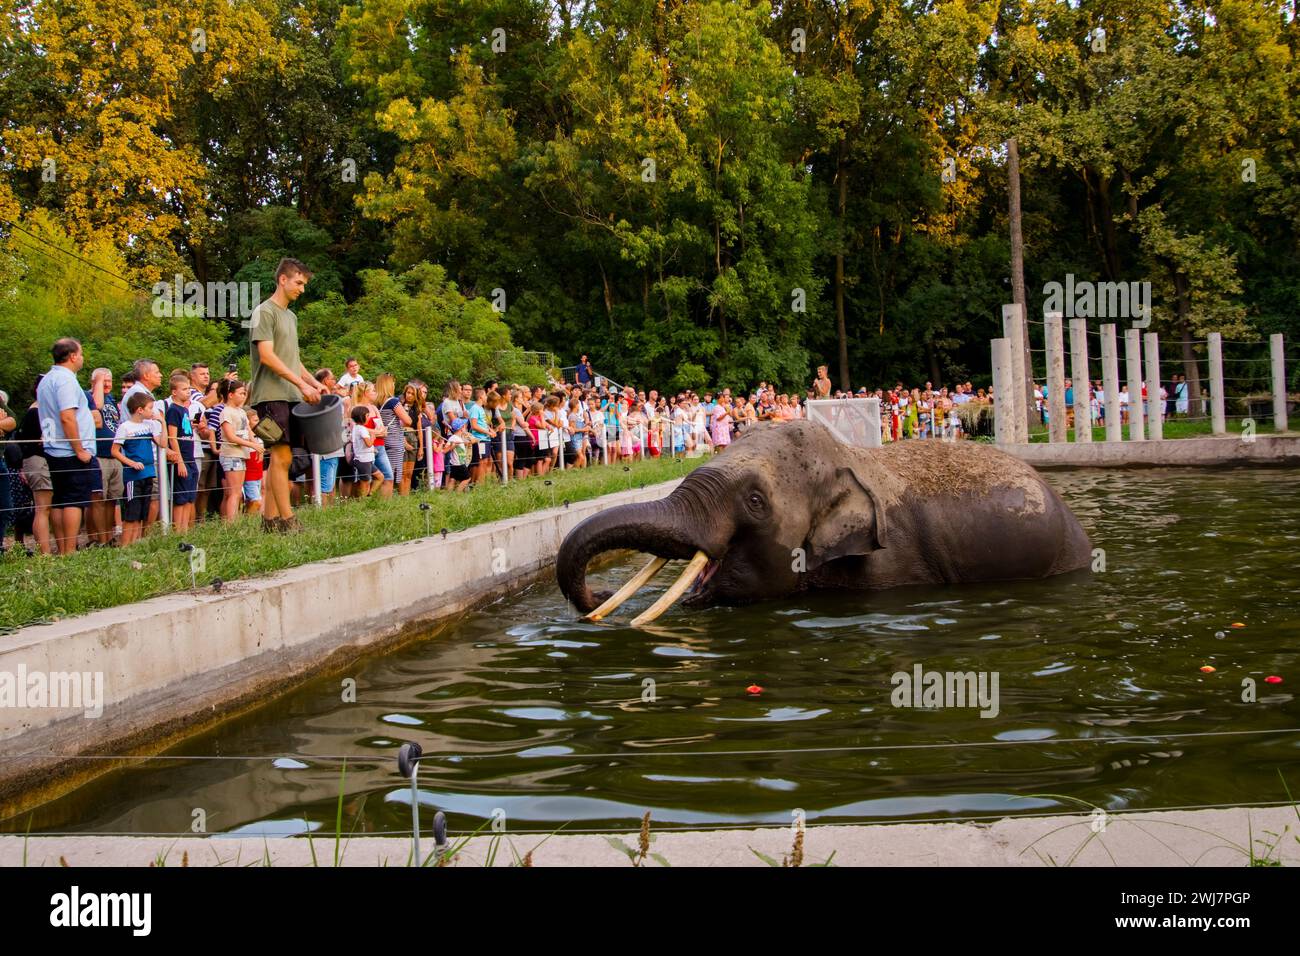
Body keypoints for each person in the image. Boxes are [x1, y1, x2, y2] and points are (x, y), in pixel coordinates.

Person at [248, 258, 323, 532]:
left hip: (291, 395)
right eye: (298, 283)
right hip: (270, 396)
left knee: (283, 459)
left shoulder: (291, 316)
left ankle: (268, 521)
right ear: (283, 279)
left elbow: (293, 359)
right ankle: (288, 521)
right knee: (281, 457)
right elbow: (267, 356)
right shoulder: (263, 312)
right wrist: (302, 386)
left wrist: (313, 383)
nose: (302, 289)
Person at [36, 338, 100, 555]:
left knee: (61, 500)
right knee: (73, 500)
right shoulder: (65, 380)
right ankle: (69, 550)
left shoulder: (47, 379)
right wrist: (79, 449)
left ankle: (64, 548)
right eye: (80, 354)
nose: (82, 358)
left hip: (54, 448)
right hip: (69, 450)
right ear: (72, 356)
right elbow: (67, 416)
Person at [111, 391, 167, 545]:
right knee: (132, 512)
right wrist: (131, 463)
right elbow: (114, 451)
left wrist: (162, 423)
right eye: (150, 408)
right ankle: (125, 545)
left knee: (143, 512)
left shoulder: (149, 426)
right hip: (134, 476)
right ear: (139, 410)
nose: (153, 411)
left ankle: (135, 543)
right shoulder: (125, 427)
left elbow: (162, 443)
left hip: (148, 473)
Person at [86, 366, 122, 546]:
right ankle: (98, 539)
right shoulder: (88, 396)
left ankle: (108, 536)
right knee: (98, 498)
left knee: (112, 498)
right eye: (103, 380)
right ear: (93, 382)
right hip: (98, 454)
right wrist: (98, 383)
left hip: (114, 454)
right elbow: (96, 405)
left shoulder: (111, 398)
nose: (107, 384)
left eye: (109, 380)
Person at [218, 380, 262, 522]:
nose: (244, 396)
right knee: (234, 492)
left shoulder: (241, 411)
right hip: (231, 454)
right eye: (241, 393)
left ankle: (235, 521)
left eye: (245, 393)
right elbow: (230, 436)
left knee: (238, 492)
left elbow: (248, 431)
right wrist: (252, 445)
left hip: (242, 454)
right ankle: (232, 523)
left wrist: (256, 446)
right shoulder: (226, 412)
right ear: (230, 395)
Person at [349, 405, 376, 497]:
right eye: (368, 415)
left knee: (380, 476)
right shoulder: (362, 429)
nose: (369, 418)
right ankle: (362, 501)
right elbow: (369, 444)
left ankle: (369, 494)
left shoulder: (356, 428)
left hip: (365, 459)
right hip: (364, 460)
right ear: (362, 416)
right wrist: (373, 436)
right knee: (365, 483)